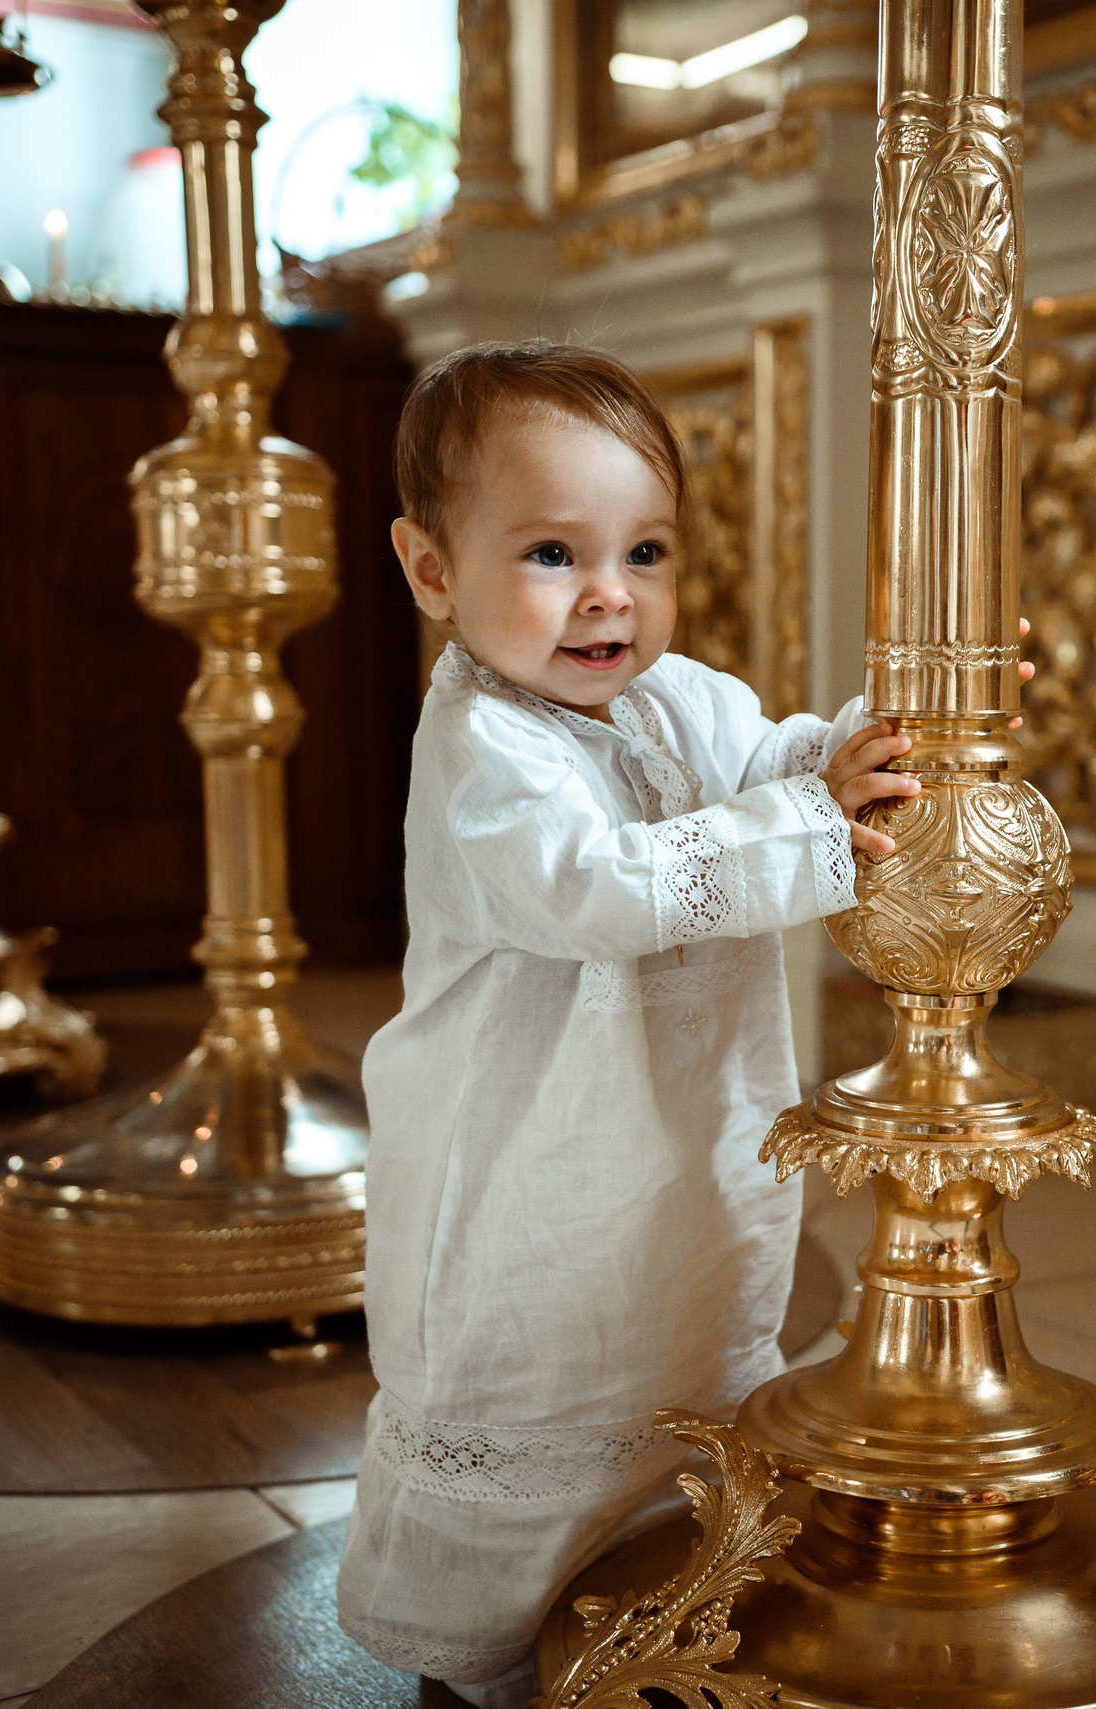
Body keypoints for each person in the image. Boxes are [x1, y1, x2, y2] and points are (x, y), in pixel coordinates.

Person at [334, 341, 927, 1708]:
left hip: (674, 1148)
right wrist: (801, 822)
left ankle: (671, 1600)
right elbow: (598, 888)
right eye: (553, 552)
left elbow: (773, 755)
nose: (611, 595)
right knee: (549, 1370)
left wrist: (853, 755)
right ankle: (486, 1659)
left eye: (645, 551)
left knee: (681, 1352)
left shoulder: (674, 697)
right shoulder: (485, 748)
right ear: (432, 570)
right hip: (534, 1163)